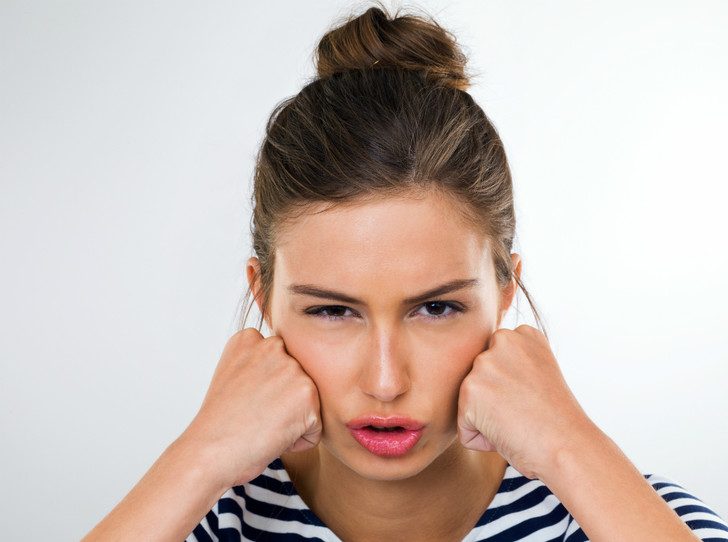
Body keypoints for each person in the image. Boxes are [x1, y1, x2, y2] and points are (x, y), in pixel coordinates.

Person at [82, 4, 728, 542]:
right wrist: (199, 457)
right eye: (333, 311)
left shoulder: (626, 517)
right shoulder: (199, 519)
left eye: (436, 308)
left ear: (505, 291)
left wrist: (570, 447)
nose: (386, 382)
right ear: (264, 295)